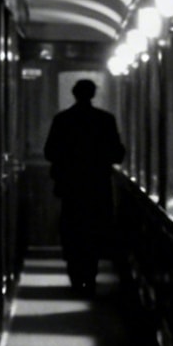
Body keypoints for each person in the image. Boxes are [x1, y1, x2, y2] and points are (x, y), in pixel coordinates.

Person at [43, 78, 125, 292]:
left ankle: (75, 273)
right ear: (93, 94)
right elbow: (117, 154)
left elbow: (49, 152)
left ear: (74, 93)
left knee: (72, 229)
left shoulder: (62, 120)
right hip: (97, 186)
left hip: (71, 187)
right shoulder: (105, 120)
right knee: (94, 229)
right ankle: (90, 274)